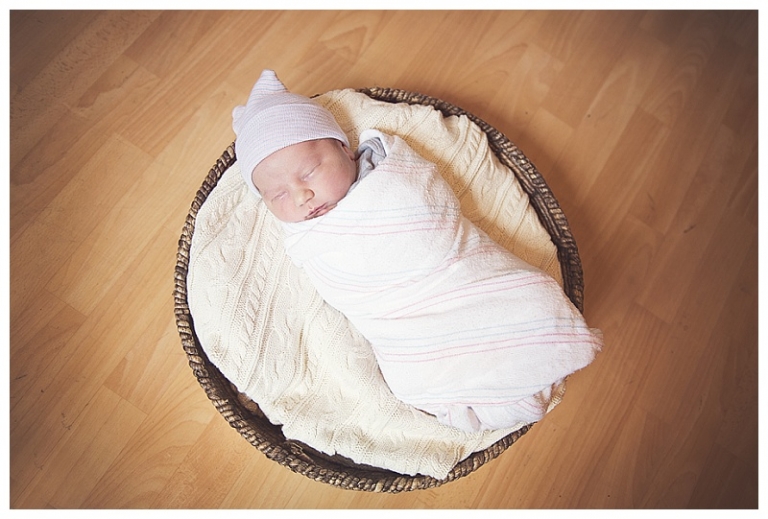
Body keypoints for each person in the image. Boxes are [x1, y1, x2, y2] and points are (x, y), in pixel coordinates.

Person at [232, 69, 602, 433]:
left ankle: (527, 357)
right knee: (411, 377)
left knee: (519, 299)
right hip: (396, 318)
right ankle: (487, 391)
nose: (301, 196)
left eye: (309, 172)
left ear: (345, 149)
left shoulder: (389, 172)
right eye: (277, 195)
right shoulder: (307, 235)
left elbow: (430, 213)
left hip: (452, 273)